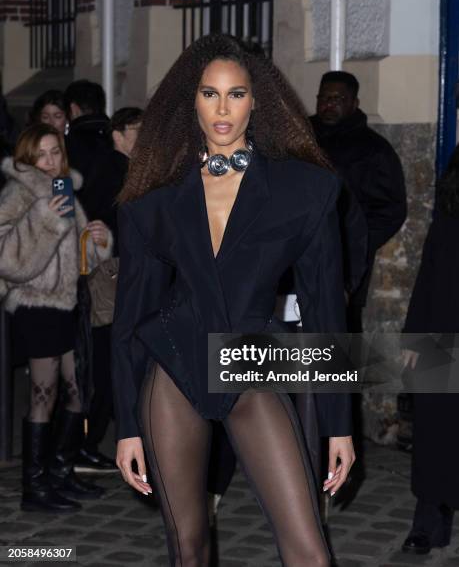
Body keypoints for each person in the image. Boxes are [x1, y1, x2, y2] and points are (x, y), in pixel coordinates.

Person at [112, 34, 355, 566]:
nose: (223, 110)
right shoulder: (156, 197)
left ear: (256, 101)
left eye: (236, 94)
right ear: (191, 101)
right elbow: (130, 318)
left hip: (248, 361)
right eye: (210, 94)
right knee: (189, 546)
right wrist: (128, 425)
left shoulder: (304, 190)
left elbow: (324, 310)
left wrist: (339, 423)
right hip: (174, 365)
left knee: (310, 552)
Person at [0, 123, 112, 512]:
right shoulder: (17, 194)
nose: (50, 162)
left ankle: (60, 473)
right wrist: (43, 221)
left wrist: (97, 241)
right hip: (36, 307)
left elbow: (80, 262)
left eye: (56, 153)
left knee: (79, 390)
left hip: (67, 306)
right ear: (28, 157)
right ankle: (35, 487)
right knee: (43, 395)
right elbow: (7, 261)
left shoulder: (65, 191)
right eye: (42, 154)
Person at [310, 71, 407, 332]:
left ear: (354, 103)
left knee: (342, 328)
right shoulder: (300, 138)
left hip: (346, 258)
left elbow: (391, 209)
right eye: (324, 98)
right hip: (296, 251)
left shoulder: (373, 150)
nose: (329, 104)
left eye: (338, 98)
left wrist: (356, 240)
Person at [75, 107, 143, 473]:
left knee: (117, 358)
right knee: (107, 361)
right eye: (137, 129)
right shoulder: (113, 168)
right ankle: (87, 442)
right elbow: (100, 220)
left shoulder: (125, 168)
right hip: (109, 274)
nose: (142, 136)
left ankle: (111, 437)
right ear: (117, 133)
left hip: (115, 271)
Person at [401, 147, 459, 555]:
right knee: (435, 431)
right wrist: (414, 336)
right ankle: (429, 522)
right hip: (443, 325)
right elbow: (430, 268)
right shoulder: (455, 180)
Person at [64, 80, 119, 472]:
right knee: (96, 360)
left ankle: (76, 444)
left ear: (72, 110)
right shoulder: (114, 158)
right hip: (106, 267)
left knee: (85, 362)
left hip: (79, 272)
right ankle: (81, 443)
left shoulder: (70, 155)